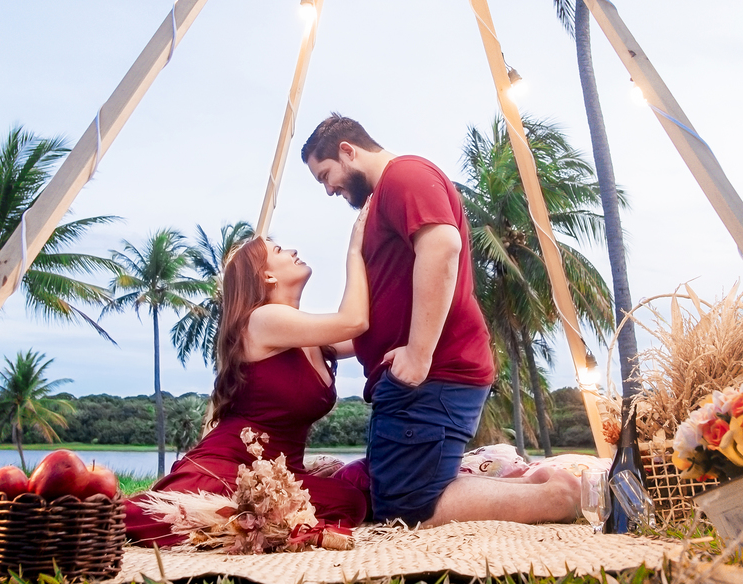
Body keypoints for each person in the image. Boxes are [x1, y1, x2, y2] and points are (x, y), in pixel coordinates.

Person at [302, 114, 580, 526]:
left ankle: (558, 498)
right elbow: (382, 314)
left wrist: (418, 355)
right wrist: (316, 344)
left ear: (348, 151)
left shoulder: (406, 176)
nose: (328, 190)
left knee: (407, 505)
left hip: (434, 373)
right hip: (419, 376)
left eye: (326, 175)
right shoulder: (385, 198)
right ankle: (534, 485)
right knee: (397, 491)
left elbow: (442, 247)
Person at [124, 208, 371, 546]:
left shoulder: (308, 336)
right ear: (266, 276)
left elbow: (368, 335)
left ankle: (272, 523)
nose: (293, 251)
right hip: (231, 466)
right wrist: (355, 250)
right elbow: (354, 322)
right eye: (279, 250)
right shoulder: (263, 320)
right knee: (162, 520)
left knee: (349, 501)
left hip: (279, 477)